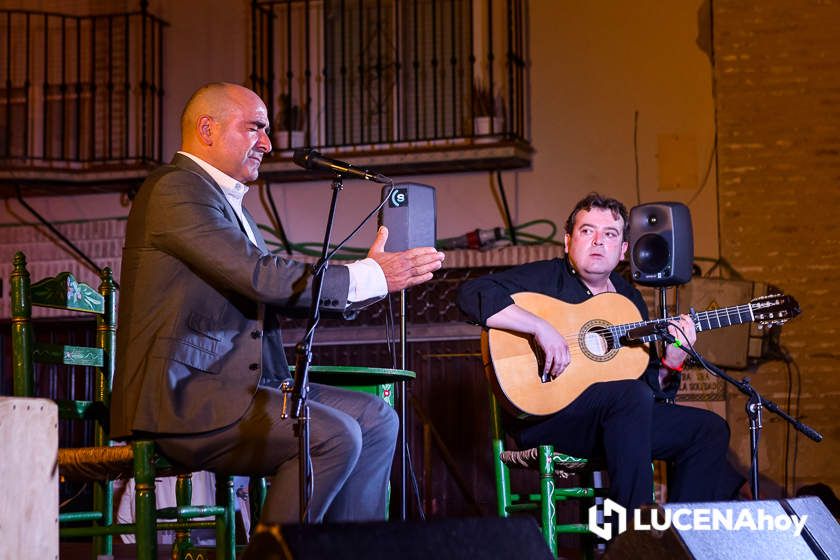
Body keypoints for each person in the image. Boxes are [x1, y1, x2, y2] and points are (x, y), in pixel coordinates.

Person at [110, 82, 445, 524]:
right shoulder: (175, 190)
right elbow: (261, 277)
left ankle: (348, 555)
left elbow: (269, 288)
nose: (267, 144)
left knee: (376, 416)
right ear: (207, 129)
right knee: (332, 435)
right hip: (184, 398)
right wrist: (368, 276)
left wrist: (375, 280)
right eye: (255, 129)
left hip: (242, 387)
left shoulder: (227, 204)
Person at [457, 193, 743, 511]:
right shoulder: (545, 277)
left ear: (622, 250)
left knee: (708, 429)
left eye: (609, 234)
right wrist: (539, 327)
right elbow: (471, 293)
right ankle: (635, 533)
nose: (597, 242)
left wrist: (671, 363)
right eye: (586, 231)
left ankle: (680, 537)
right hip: (550, 418)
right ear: (568, 242)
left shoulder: (628, 298)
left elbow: (650, 392)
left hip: (617, 421)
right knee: (630, 397)